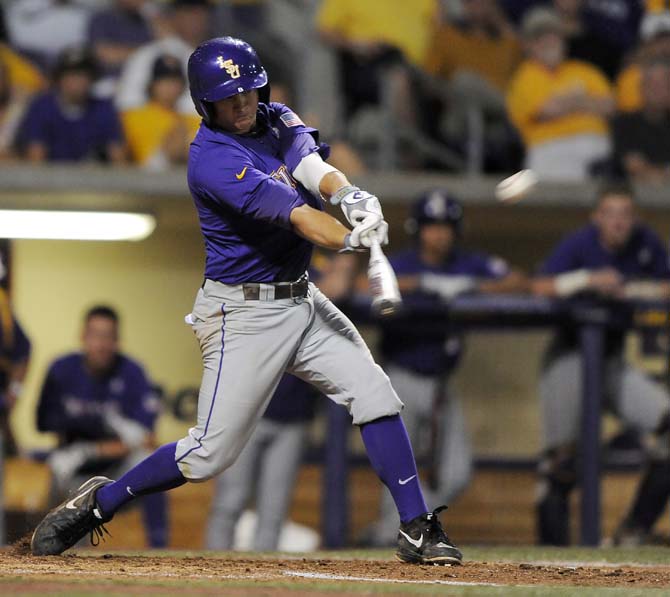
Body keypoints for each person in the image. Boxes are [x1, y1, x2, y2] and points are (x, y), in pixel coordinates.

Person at [30, 36, 462, 566]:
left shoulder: (275, 116)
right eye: (228, 98)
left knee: (374, 393)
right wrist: (351, 236)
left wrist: (350, 194)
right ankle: (101, 501)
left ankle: (417, 526)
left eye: (249, 92)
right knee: (209, 454)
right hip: (243, 312)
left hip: (300, 298)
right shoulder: (210, 160)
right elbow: (301, 216)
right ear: (204, 103)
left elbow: (312, 170)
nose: (242, 104)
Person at [365, 189, 528, 546]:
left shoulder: (466, 264)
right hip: (399, 379)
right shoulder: (404, 263)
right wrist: (421, 285)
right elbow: (367, 285)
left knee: (456, 472)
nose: (438, 234)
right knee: (398, 469)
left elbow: (518, 281)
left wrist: (472, 286)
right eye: (430, 226)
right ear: (417, 229)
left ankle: (403, 529)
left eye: (444, 226)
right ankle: (386, 539)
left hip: (441, 385)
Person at [532, 181, 670, 545]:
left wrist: (634, 289)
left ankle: (633, 533)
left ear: (634, 218)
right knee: (560, 463)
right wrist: (587, 280)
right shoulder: (580, 244)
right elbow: (538, 287)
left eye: (625, 214)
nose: (619, 222)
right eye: (610, 214)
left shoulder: (645, 244)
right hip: (569, 354)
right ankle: (551, 563)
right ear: (597, 217)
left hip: (610, 359)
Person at [35, 305, 167, 548]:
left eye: (108, 337)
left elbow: (147, 439)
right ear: (83, 336)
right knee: (57, 467)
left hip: (117, 471)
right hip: (74, 467)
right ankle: (53, 544)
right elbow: (43, 423)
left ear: (117, 341)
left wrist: (93, 449)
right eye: (96, 335)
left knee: (151, 460)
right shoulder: (61, 369)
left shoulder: (133, 372)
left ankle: (159, 546)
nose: (101, 344)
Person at [206, 373, 317, 551]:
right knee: (231, 500)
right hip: (245, 414)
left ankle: (264, 569)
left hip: (293, 418)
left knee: (275, 507)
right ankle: (213, 564)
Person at [506, 7, 614, 180]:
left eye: (554, 34)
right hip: (550, 151)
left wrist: (564, 102)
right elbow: (547, 111)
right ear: (527, 45)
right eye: (539, 37)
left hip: (597, 149)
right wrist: (583, 101)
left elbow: (609, 107)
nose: (548, 41)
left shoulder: (585, 70)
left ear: (564, 40)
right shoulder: (524, 77)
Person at [17, 48, 125, 163]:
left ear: (92, 78)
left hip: (93, 177)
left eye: (83, 74)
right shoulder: (41, 108)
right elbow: (36, 159)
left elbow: (118, 159)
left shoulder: (103, 109)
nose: (77, 80)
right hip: (50, 177)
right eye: (71, 74)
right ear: (59, 78)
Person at [115, 0, 211, 115]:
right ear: (173, 18)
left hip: (192, 125)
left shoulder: (213, 57)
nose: (194, 21)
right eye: (187, 13)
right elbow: (128, 102)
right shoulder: (149, 54)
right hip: (150, 126)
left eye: (199, 14)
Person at [122, 54, 200, 169]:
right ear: (152, 84)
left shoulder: (194, 120)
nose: (169, 86)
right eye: (163, 81)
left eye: (174, 81)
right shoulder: (131, 117)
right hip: (144, 176)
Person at [611, 60, 670, 183]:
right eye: (652, 84)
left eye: (664, 85)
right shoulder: (624, 122)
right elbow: (634, 167)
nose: (657, 90)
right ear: (641, 88)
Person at [87, 0, 156, 97]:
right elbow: (106, 55)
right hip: (108, 83)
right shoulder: (102, 18)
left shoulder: (145, 22)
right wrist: (143, 53)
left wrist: (155, 16)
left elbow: (160, 49)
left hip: (139, 84)